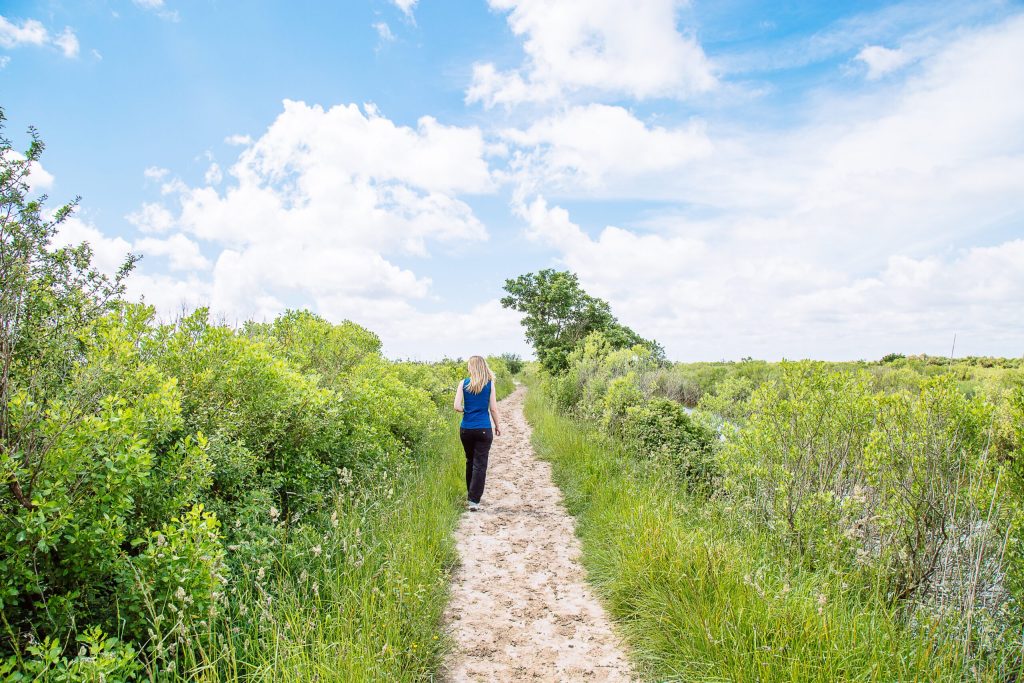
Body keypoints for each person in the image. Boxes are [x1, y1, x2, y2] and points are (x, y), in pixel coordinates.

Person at [453, 356, 501, 511]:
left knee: (470, 461)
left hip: (466, 429)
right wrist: (497, 425)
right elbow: (493, 408)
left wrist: (467, 410)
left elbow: (456, 406)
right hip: (483, 429)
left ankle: (470, 495)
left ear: (471, 367)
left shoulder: (463, 383)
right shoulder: (489, 384)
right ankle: (474, 500)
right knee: (480, 465)